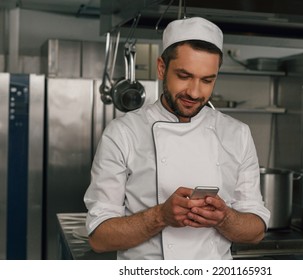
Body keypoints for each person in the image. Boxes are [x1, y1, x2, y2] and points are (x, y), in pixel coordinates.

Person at [84, 16, 270, 260]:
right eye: (184, 76)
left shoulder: (237, 133)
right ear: (162, 68)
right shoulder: (123, 134)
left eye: (207, 80)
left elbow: (256, 231)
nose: (194, 92)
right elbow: (99, 238)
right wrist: (160, 216)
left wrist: (224, 218)